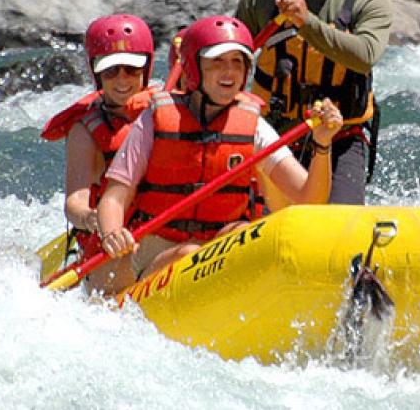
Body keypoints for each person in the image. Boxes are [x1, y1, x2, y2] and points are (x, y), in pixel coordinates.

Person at [95, 15, 343, 295]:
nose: (230, 72)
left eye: (238, 62)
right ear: (193, 68)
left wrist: (322, 145)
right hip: (159, 248)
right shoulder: (155, 119)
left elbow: (308, 197)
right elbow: (115, 197)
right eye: (218, 62)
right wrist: (112, 233)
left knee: (241, 234)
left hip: (221, 249)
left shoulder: (253, 125)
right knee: (186, 254)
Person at [235, 0, 394, 205]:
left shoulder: (369, 2)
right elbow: (233, 59)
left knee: (338, 224)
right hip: (271, 134)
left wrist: (306, 22)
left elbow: (364, 56)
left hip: (341, 138)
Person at [41, 14, 158, 292]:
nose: (122, 80)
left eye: (131, 70)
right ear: (96, 74)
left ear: (146, 68)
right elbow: (74, 201)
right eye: (110, 71)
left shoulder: (166, 110)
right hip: (114, 239)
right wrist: (92, 218)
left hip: (162, 231)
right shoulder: (86, 131)